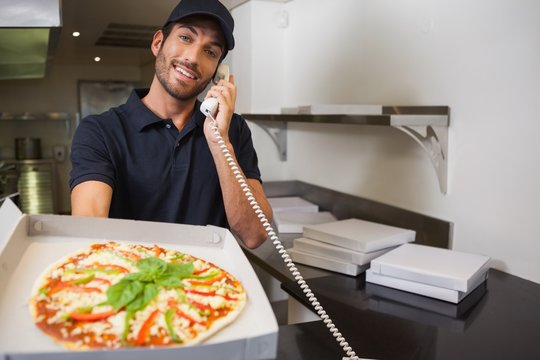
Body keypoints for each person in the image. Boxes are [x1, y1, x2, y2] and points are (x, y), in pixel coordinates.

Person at [69, 0, 272, 249]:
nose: (192, 58)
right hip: (131, 280)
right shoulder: (100, 131)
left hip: (208, 284)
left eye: (210, 52)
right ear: (158, 43)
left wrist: (219, 142)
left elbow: (255, 235)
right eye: (186, 37)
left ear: (217, 73)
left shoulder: (233, 130)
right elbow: (89, 231)